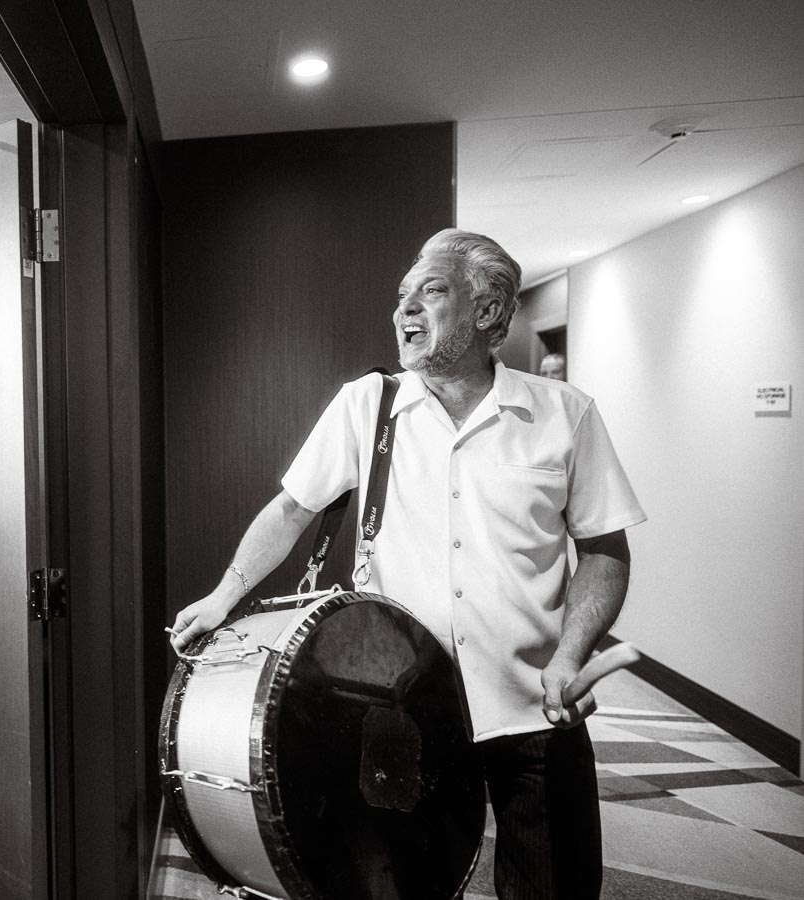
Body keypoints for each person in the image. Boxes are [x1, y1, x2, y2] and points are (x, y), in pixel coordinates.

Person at [169, 229, 645, 899]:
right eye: (401, 297)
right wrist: (226, 595)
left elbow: (604, 549)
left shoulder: (564, 415)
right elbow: (291, 511)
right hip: (399, 715)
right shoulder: (368, 406)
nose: (404, 311)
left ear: (487, 312)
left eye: (430, 291)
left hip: (535, 709)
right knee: (392, 884)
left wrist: (571, 653)